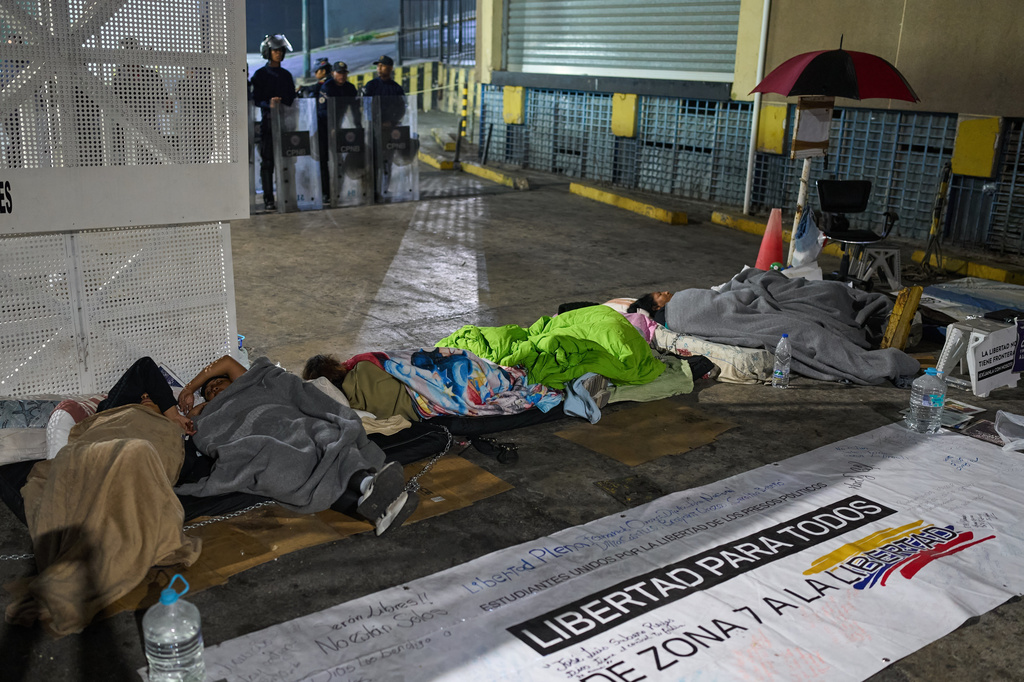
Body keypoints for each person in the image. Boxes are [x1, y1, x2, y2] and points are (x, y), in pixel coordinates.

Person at [177, 354, 418, 535]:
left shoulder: (247, 382)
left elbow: (226, 362)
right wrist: (199, 410)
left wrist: (191, 388)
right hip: (255, 438)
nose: (213, 389)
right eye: (208, 392)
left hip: (284, 420)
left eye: (217, 384)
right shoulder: (207, 414)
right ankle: (376, 496)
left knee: (322, 434)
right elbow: (204, 431)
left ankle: (372, 492)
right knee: (289, 465)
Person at [250, 34, 296, 211]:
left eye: (281, 50)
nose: (279, 53)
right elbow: (256, 99)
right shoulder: (260, 75)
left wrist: (283, 101)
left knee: (287, 162)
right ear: (267, 52)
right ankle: (269, 199)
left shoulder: (286, 75)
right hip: (268, 124)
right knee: (267, 162)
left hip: (286, 123)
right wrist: (268, 103)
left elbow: (292, 98)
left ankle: (288, 196)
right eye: (275, 50)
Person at [360, 55, 406, 197]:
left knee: (387, 161)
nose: (379, 68)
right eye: (378, 66)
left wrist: (391, 123)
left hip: (390, 131)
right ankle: (372, 189)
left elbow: (401, 108)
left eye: (382, 66)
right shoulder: (371, 86)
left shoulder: (396, 88)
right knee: (373, 160)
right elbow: (366, 107)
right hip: (374, 130)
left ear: (390, 68)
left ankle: (384, 188)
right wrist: (377, 122)